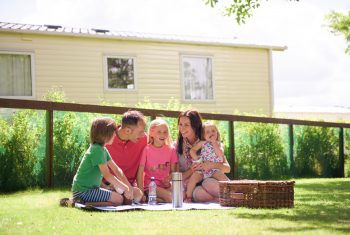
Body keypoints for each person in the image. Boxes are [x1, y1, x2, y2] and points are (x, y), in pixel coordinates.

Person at [70, 117, 137, 206]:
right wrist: (125, 188)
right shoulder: (97, 150)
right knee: (118, 200)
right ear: (105, 134)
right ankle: (81, 202)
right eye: (113, 133)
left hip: (89, 190)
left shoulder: (102, 149)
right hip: (84, 191)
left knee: (118, 199)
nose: (115, 135)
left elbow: (116, 169)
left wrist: (127, 187)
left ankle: (83, 202)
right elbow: (107, 175)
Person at [176, 110, 231, 202]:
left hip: (211, 178)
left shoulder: (209, 142)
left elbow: (227, 168)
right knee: (198, 194)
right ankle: (221, 200)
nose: (182, 128)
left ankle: (231, 196)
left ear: (195, 126)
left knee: (208, 183)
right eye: (180, 124)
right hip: (193, 183)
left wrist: (211, 165)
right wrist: (192, 169)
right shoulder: (177, 146)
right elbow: (176, 176)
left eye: (186, 125)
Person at [105, 110, 147, 201]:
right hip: (109, 185)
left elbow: (141, 169)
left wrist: (142, 192)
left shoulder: (143, 140)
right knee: (119, 198)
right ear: (127, 130)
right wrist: (105, 187)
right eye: (140, 132)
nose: (143, 135)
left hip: (129, 186)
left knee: (137, 195)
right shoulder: (107, 139)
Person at [137, 119, 178, 203]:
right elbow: (140, 172)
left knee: (180, 196)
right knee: (170, 198)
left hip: (166, 186)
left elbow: (173, 172)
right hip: (150, 186)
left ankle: (151, 199)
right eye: (159, 132)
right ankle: (148, 196)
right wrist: (141, 192)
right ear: (151, 133)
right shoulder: (147, 149)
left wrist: (169, 178)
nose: (162, 134)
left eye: (165, 132)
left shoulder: (171, 149)